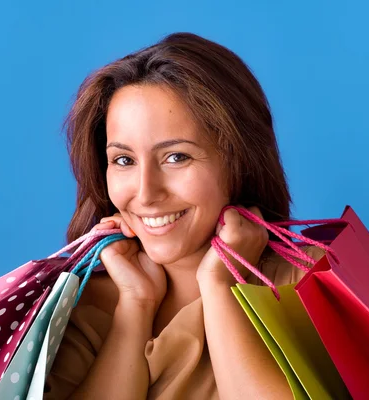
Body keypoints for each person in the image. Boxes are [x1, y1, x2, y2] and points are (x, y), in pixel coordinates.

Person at [44, 32, 324, 399]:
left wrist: (220, 286)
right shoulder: (76, 309)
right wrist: (135, 306)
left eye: (177, 157)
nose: (146, 194)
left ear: (238, 161)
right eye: (124, 160)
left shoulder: (308, 281)